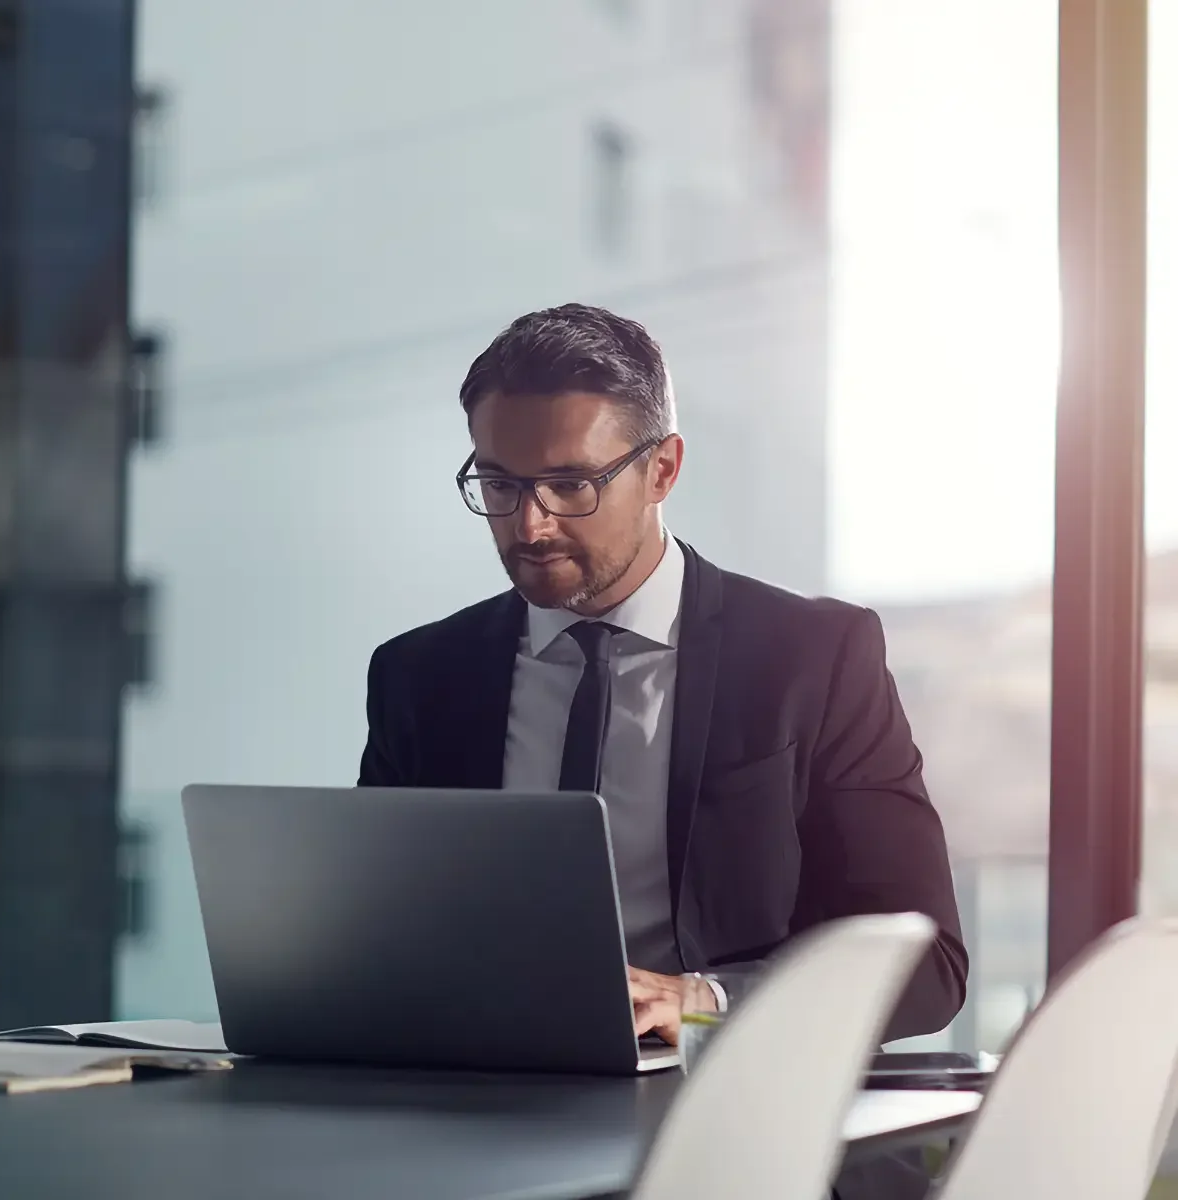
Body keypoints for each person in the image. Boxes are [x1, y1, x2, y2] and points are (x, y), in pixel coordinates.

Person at [357, 302, 967, 1047]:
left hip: (733, 1109)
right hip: (483, 1110)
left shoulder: (814, 657)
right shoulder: (419, 678)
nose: (530, 525)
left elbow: (927, 965)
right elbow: (380, 942)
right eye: (499, 484)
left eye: (571, 484)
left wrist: (704, 1001)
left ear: (662, 470)